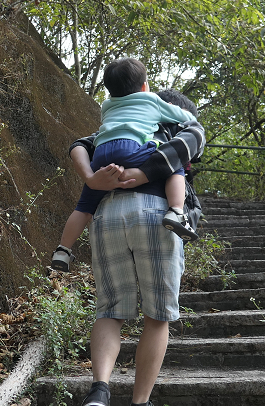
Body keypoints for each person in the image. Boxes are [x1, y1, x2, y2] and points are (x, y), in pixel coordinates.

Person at [66, 83, 206, 406]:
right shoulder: (175, 126)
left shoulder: (115, 126)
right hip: (155, 214)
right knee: (157, 315)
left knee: (110, 310)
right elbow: (196, 136)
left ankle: (99, 390)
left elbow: (80, 144)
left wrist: (88, 178)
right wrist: (146, 174)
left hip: (106, 214)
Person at [50, 58, 198, 273]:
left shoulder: (107, 106)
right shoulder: (151, 101)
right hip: (132, 148)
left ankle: (62, 250)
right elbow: (186, 117)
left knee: (83, 207)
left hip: (100, 153)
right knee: (174, 166)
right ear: (145, 86)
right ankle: (176, 212)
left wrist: (92, 177)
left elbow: (88, 140)